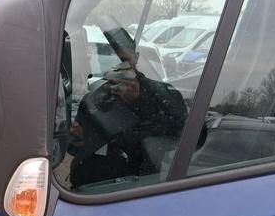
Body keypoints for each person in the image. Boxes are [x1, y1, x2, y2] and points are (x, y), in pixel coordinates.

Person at [68, 30, 188, 188]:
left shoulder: (163, 95)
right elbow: (76, 149)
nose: (118, 66)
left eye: (123, 59)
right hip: (85, 190)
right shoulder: (92, 98)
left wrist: (139, 101)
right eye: (110, 59)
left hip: (136, 191)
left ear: (136, 58)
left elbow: (182, 134)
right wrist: (75, 140)